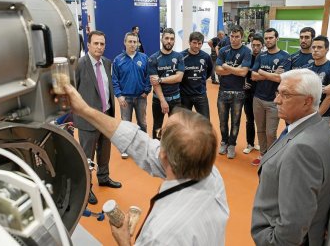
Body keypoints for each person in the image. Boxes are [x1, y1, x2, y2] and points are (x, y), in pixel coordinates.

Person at [63, 85, 229, 246]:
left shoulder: (160, 236)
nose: (155, 142)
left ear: (163, 155)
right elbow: (140, 144)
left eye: (159, 135)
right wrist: (84, 110)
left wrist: (124, 241)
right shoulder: (212, 176)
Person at [251, 69, 330, 245]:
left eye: (286, 95)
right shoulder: (318, 127)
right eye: (278, 92)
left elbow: (293, 226)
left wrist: (269, 240)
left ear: (307, 101)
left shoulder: (302, 149)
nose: (276, 100)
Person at [73, 30, 122, 205]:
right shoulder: (79, 65)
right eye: (96, 43)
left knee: (104, 152)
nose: (99, 47)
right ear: (88, 45)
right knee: (87, 156)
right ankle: (87, 188)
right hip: (87, 121)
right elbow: (72, 91)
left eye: (102, 44)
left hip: (106, 116)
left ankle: (104, 177)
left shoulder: (107, 63)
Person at [251, 28, 291, 166]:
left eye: (271, 38)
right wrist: (272, 74)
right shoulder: (260, 56)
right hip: (258, 99)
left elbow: (281, 79)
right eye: (266, 38)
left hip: (274, 101)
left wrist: (262, 72)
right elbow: (253, 76)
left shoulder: (285, 57)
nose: (268, 40)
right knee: (260, 129)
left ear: (277, 38)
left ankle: (271, 157)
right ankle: (263, 155)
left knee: (270, 132)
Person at [112, 32, 151, 159]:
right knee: (125, 124)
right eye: (130, 41)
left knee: (143, 123)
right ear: (125, 42)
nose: (133, 44)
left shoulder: (144, 58)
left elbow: (148, 76)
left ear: (138, 43)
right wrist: (119, 95)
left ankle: (144, 146)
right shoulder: (118, 60)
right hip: (125, 98)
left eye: (135, 42)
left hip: (141, 97)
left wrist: (146, 91)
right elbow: (115, 80)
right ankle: (125, 148)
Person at [215, 25, 250, 159]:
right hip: (223, 91)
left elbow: (244, 73)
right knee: (223, 121)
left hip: (239, 92)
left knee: (235, 121)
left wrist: (226, 66)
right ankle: (224, 141)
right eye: (232, 36)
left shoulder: (246, 51)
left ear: (242, 37)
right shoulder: (224, 50)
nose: (234, 39)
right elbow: (217, 70)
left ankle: (232, 144)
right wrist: (236, 69)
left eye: (237, 37)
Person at [148, 28, 184, 139]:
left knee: (176, 128)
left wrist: (161, 79)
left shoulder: (179, 57)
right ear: (162, 39)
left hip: (175, 99)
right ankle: (156, 151)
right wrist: (163, 101)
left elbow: (179, 77)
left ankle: (174, 152)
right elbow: (155, 83)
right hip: (158, 100)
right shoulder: (153, 58)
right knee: (157, 127)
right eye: (167, 38)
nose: (169, 41)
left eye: (172, 39)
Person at [301, 35, 330, 125]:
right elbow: (303, 90)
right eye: (313, 47)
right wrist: (323, 89)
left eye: (319, 47)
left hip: (322, 115)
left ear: (327, 49)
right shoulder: (305, 69)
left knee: (318, 139)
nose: (315, 50)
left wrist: (316, 116)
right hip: (304, 113)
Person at [180, 31, 213, 119]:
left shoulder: (206, 57)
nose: (197, 46)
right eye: (194, 43)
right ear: (189, 42)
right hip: (185, 95)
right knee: (185, 123)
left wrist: (202, 79)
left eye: (199, 43)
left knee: (205, 122)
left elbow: (209, 70)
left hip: (200, 94)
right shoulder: (181, 56)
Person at [242, 34, 263, 154]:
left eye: (258, 45)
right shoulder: (247, 57)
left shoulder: (265, 58)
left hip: (261, 94)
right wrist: (242, 84)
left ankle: (261, 144)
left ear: (262, 46)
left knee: (260, 121)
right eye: (253, 45)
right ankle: (250, 143)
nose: (255, 47)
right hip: (248, 94)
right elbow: (241, 73)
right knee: (249, 120)